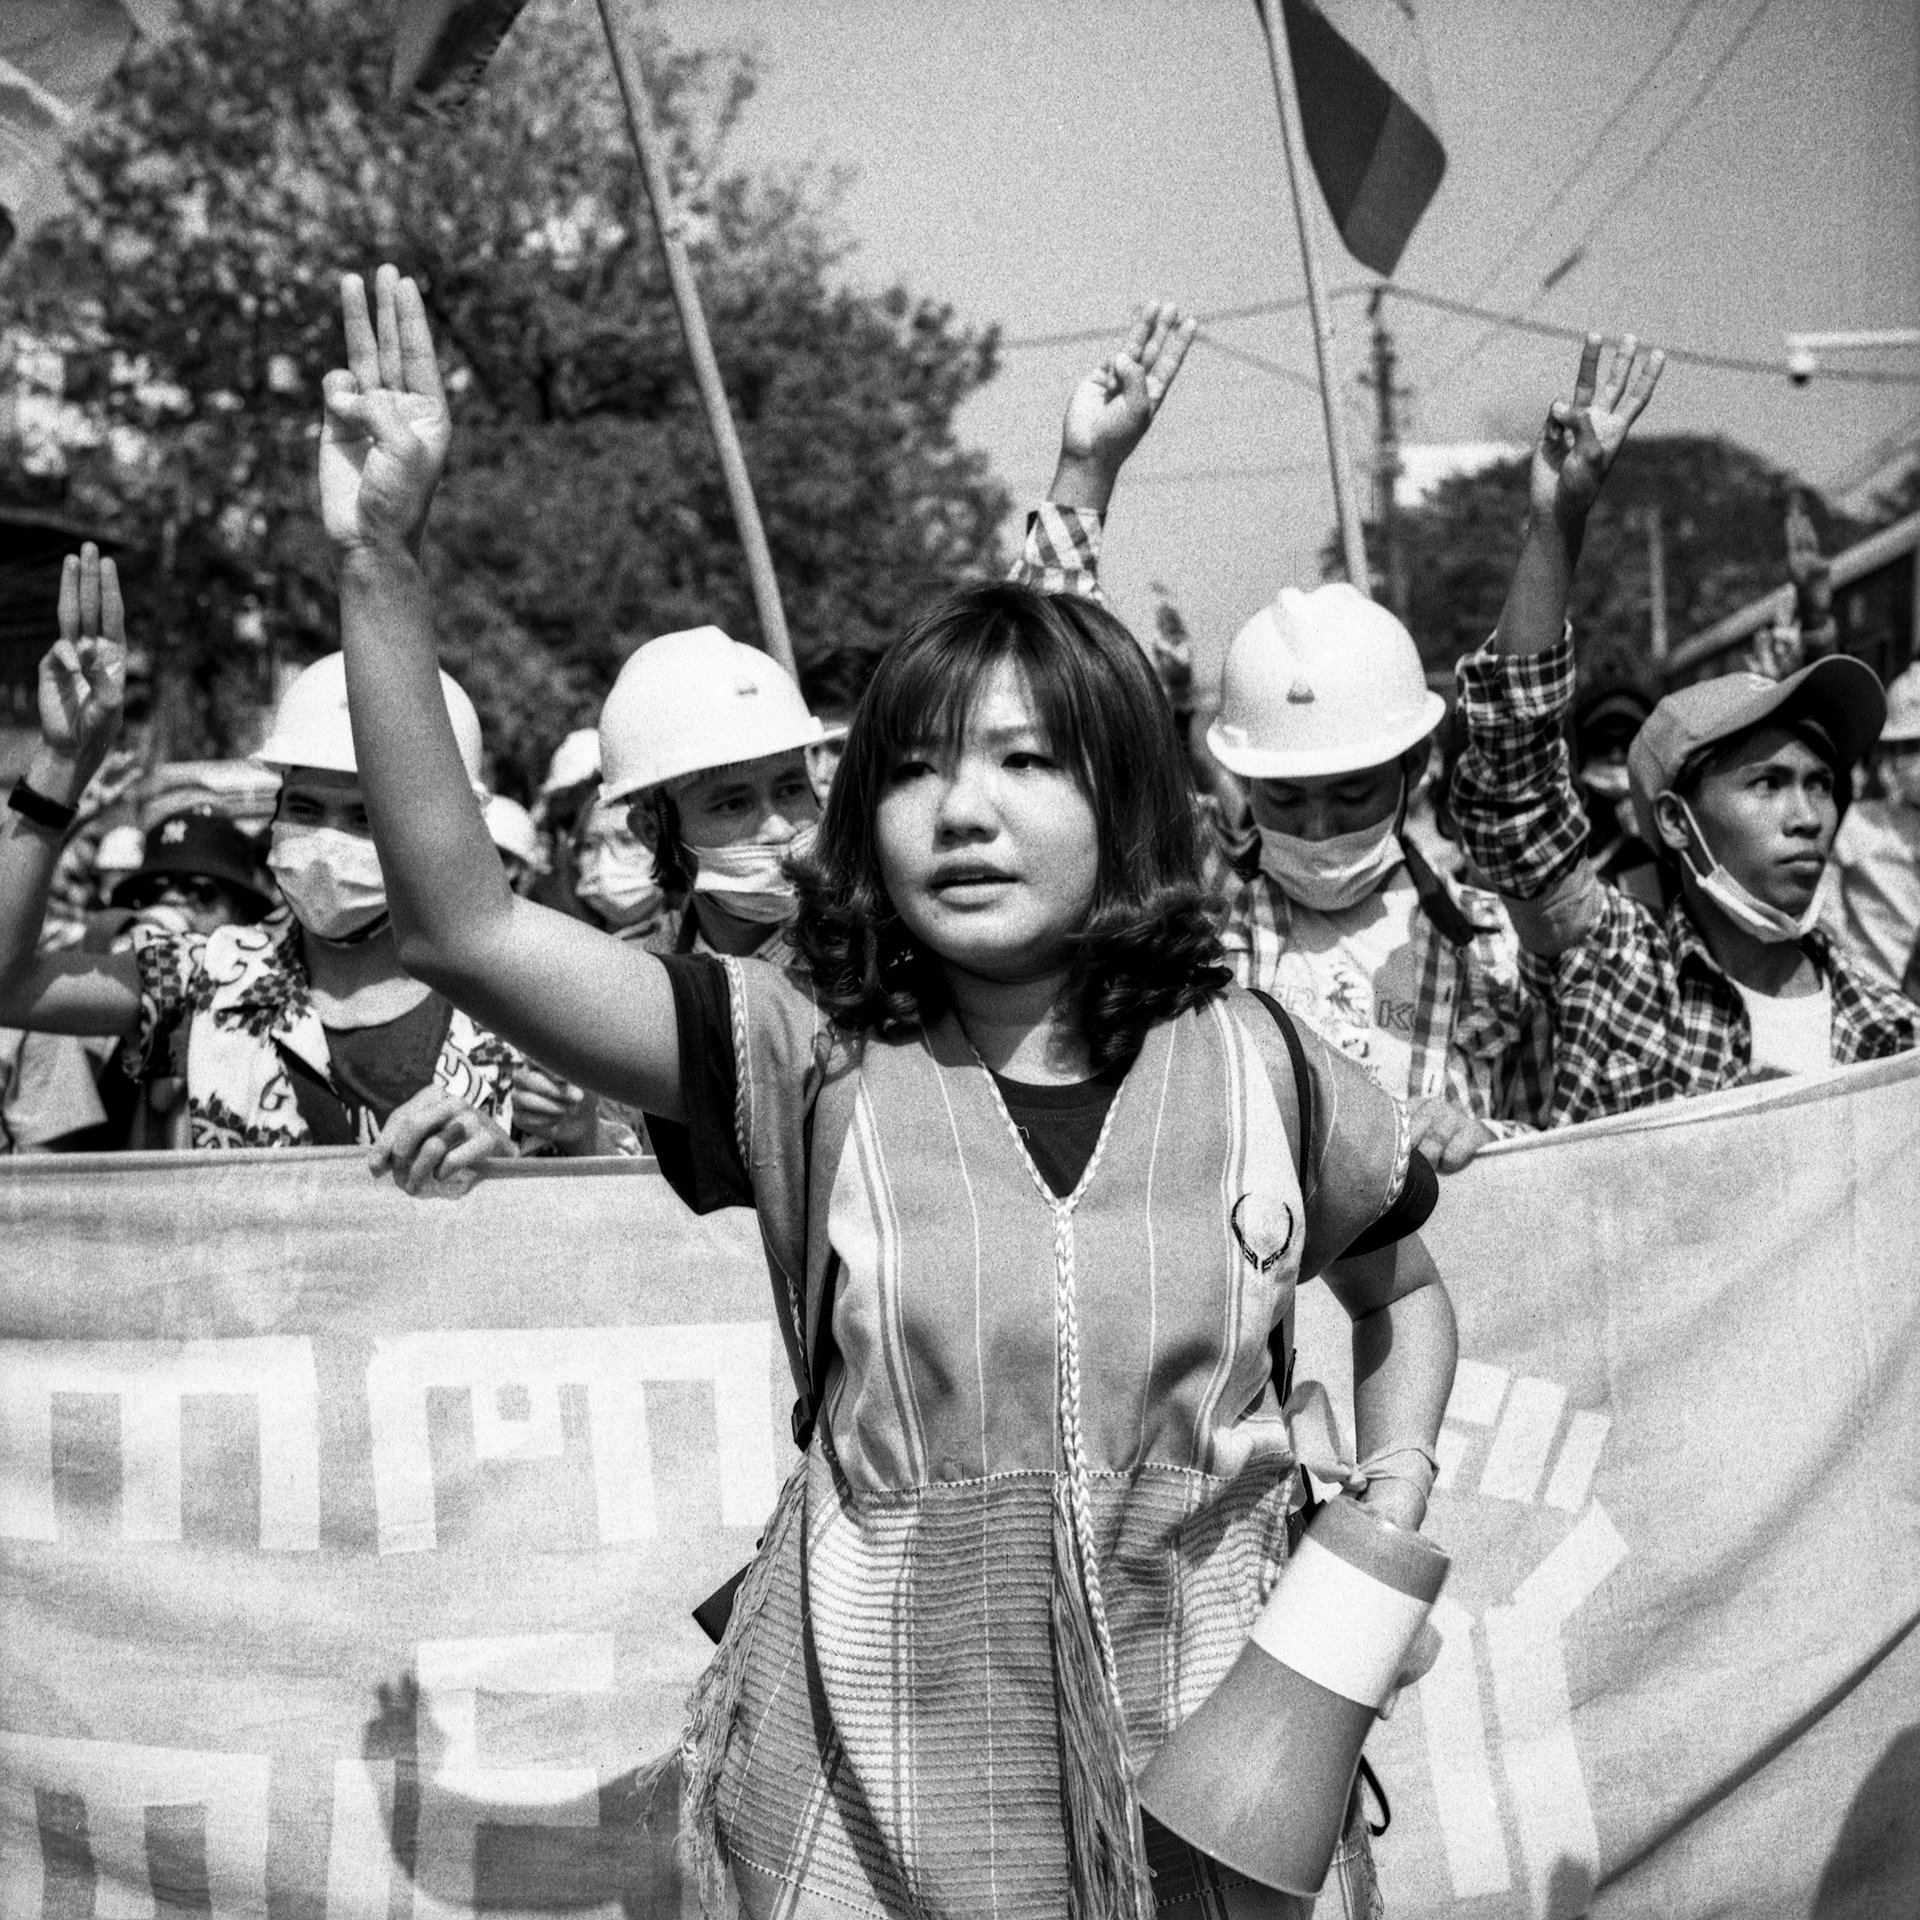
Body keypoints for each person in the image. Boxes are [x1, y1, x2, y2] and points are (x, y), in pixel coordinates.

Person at [326, 264, 1455, 1919]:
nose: (963, 809)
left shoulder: (1266, 1059)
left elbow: (1408, 1296)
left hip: (1221, 1793)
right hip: (870, 1811)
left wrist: (1396, 1498)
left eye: (1025, 762)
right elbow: (464, 923)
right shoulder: (804, 1055)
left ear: (1127, 803)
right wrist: (379, 563)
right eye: (915, 765)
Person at [1013, 305, 1545, 1171]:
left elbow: (1568, 1141)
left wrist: (1492, 1142)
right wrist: (1087, 469)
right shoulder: (1187, 905)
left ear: (1414, 769)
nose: (1322, 827)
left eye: (1352, 793)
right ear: (1240, 782)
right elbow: (1053, 706)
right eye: (1288, 798)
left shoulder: (1488, 939)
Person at [1452, 333, 1915, 1122]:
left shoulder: (1888, 1034)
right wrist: (1557, 522)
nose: (1807, 817)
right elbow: (1517, 786)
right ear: (1673, 820)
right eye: (1766, 784)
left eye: (1819, 785)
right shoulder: (1614, 964)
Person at [0, 547, 523, 1176]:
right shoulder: (209, 979)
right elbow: (8, 984)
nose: (326, 839)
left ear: (437, 826)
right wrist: (60, 764)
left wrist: (546, 1151)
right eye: (303, 807)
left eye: (364, 817)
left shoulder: (525, 1002)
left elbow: (619, 1200)